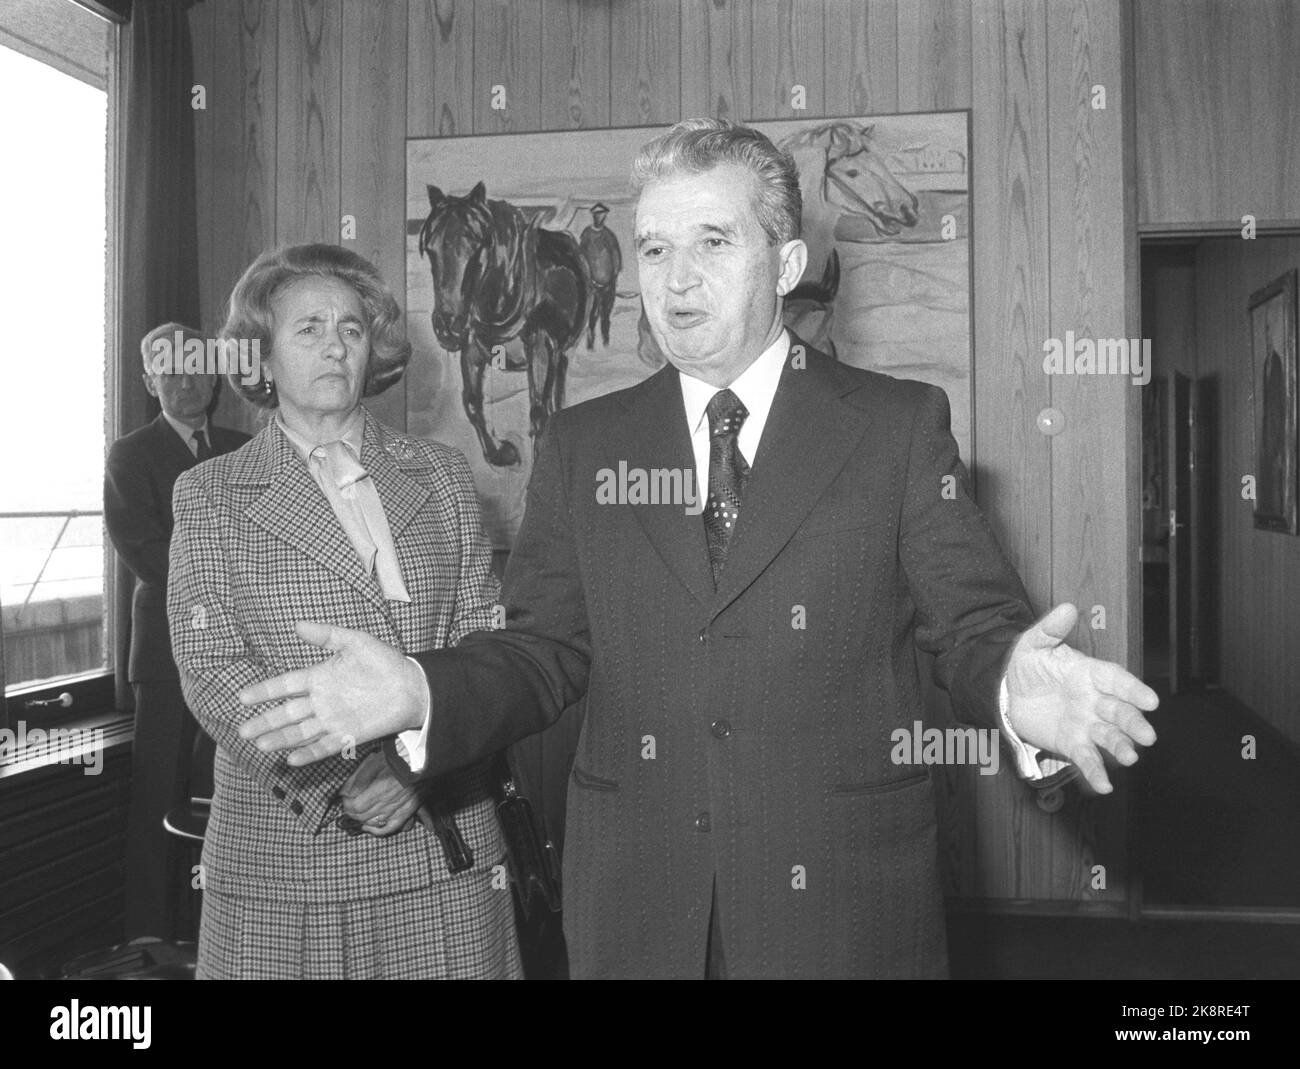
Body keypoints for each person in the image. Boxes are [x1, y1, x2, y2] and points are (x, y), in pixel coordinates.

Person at [237, 120, 1159, 979]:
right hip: (638, 906)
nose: (675, 280)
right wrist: (421, 689)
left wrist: (1010, 682)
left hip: (841, 906)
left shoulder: (896, 427)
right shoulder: (585, 444)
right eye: (654, 249)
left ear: (788, 261)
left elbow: (970, 620)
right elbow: (541, 651)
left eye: (713, 243)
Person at [166, 244, 520, 978]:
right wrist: (347, 779)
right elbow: (211, 671)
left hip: (439, 844)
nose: (335, 343)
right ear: (260, 356)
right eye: (309, 328)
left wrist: (411, 764)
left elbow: (484, 637)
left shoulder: (443, 474)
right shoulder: (211, 493)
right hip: (286, 860)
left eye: (352, 328)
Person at [104, 322, 250, 941]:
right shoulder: (130, 454)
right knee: (157, 800)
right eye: (171, 371)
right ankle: (148, 940)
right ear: (148, 382)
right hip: (165, 655)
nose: (187, 381)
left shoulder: (247, 448)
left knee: (232, 798)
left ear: (216, 376)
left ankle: (216, 936)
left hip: (244, 653)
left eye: (198, 368)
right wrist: (224, 586)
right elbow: (142, 549)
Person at [579, 202, 622, 348]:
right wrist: (586, 278)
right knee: (591, 316)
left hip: (608, 285)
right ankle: (590, 344)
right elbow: (581, 257)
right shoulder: (587, 234)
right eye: (597, 215)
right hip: (591, 284)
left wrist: (613, 277)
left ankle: (606, 342)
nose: (600, 218)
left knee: (605, 315)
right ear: (593, 216)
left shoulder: (609, 235)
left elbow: (616, 258)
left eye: (602, 215)